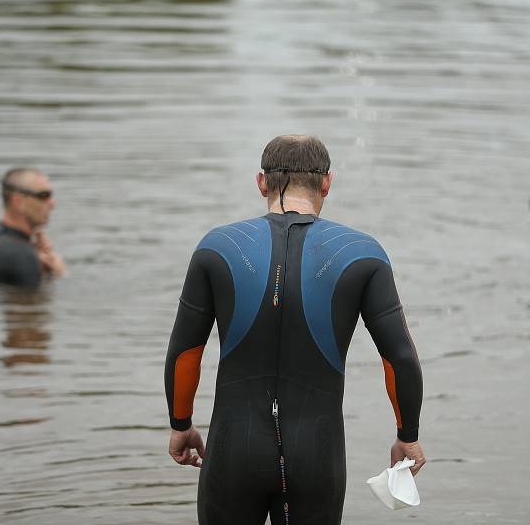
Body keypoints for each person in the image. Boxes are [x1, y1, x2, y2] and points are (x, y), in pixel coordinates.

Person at [164, 135, 425, 525]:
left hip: (233, 450)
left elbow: (185, 353)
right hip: (316, 457)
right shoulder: (362, 254)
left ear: (261, 183)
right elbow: (399, 358)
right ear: (327, 184)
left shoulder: (217, 248)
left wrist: (180, 425)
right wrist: (408, 435)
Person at [0, 167, 65, 288]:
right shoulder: (21, 256)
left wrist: (42, 267)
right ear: (18, 202)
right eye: (44, 195)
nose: (52, 203)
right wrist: (59, 274)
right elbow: (32, 305)